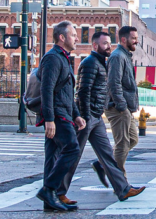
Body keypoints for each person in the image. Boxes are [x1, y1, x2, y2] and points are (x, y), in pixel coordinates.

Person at [58, 30, 145, 204]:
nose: (108, 47)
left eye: (109, 43)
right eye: (105, 44)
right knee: (74, 154)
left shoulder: (102, 63)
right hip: (87, 117)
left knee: (107, 155)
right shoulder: (90, 63)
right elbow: (82, 92)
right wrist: (83, 116)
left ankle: (123, 189)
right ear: (95, 45)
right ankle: (58, 191)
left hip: (97, 116)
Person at [35, 21, 85, 212]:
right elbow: (46, 90)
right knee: (72, 148)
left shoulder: (63, 58)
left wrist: (77, 115)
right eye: (73, 35)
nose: (77, 38)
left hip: (64, 112)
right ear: (62, 38)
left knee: (52, 157)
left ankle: (50, 201)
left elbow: (65, 91)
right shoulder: (53, 58)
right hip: (56, 115)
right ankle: (48, 189)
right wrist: (49, 119)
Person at [106, 25, 141, 173]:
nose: (136, 42)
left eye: (137, 39)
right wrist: (122, 106)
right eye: (133, 39)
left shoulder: (125, 56)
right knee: (122, 144)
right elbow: (114, 83)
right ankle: (120, 182)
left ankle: (103, 166)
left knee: (133, 139)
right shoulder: (117, 57)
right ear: (123, 39)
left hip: (124, 108)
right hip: (118, 108)